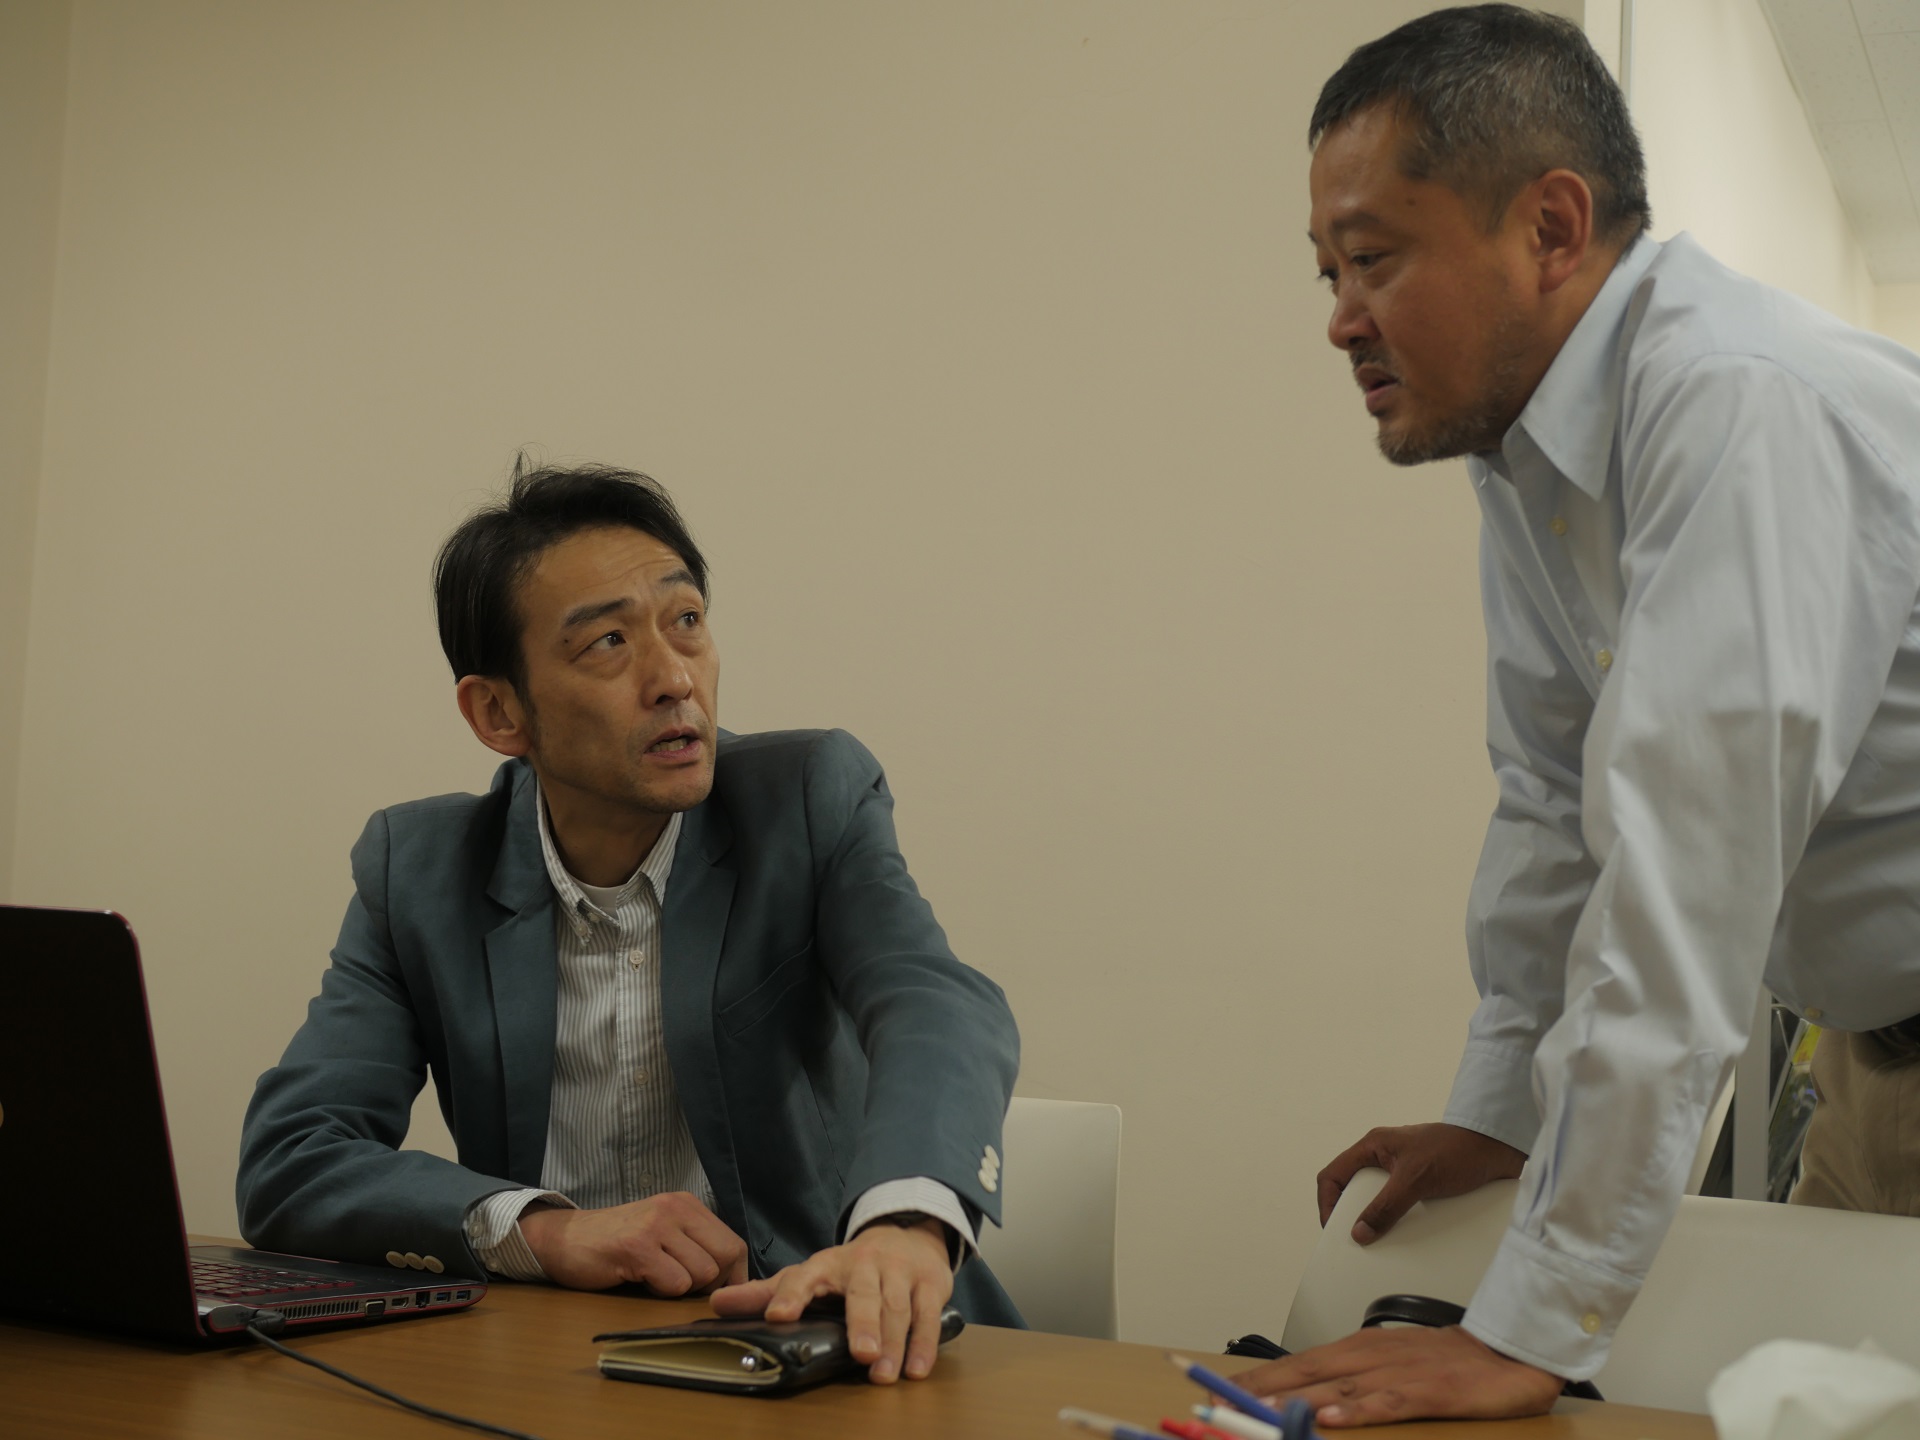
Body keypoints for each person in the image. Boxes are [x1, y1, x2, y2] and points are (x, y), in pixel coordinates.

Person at [1230, 4, 1920, 1425]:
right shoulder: (1531, 454)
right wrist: (1499, 1112)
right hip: (1874, 1068)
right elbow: (1555, 801)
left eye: (1373, 259)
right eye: (1328, 271)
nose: (1340, 317)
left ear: (1551, 227)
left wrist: (1529, 1326)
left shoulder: (1735, 405)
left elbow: (1686, 880)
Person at [238, 461, 1023, 1384]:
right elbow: (294, 1157)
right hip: (560, 1369)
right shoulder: (417, 871)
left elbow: (933, 1002)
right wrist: (548, 1233)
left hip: (824, 1347)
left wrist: (903, 1224)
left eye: (686, 621)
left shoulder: (807, 800)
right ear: (498, 711)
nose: (675, 678)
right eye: (609, 642)